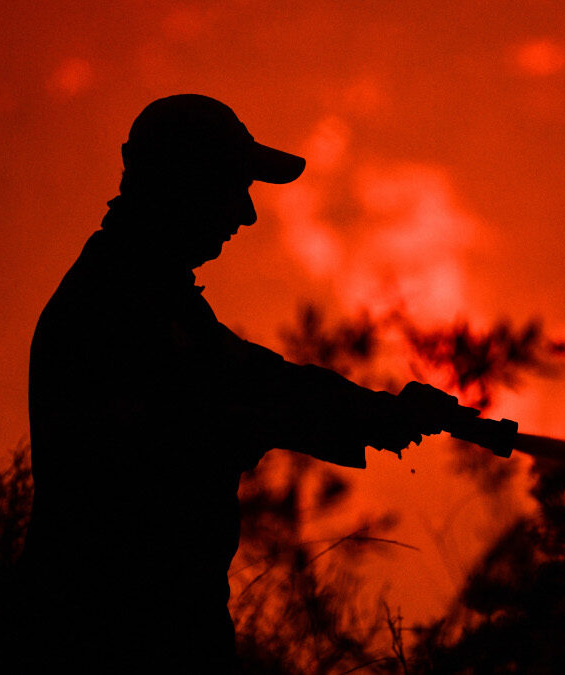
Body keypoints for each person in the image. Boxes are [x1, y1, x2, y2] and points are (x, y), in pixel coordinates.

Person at [26, 94, 463, 670]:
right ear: (187, 186)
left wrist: (383, 415)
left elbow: (251, 382)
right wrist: (385, 417)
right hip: (120, 635)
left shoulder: (143, 293)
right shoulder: (124, 305)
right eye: (235, 187)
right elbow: (252, 387)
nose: (247, 214)